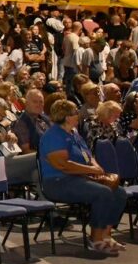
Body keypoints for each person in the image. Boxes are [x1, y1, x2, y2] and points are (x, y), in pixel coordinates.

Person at [39, 99, 129, 255]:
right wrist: (91, 169)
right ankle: (96, 239)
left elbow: (87, 155)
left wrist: (97, 167)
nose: (79, 114)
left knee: (119, 192)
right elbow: (63, 165)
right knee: (103, 193)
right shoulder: (53, 136)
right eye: (76, 112)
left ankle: (106, 235)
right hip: (58, 181)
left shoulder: (74, 133)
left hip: (79, 178)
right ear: (67, 117)